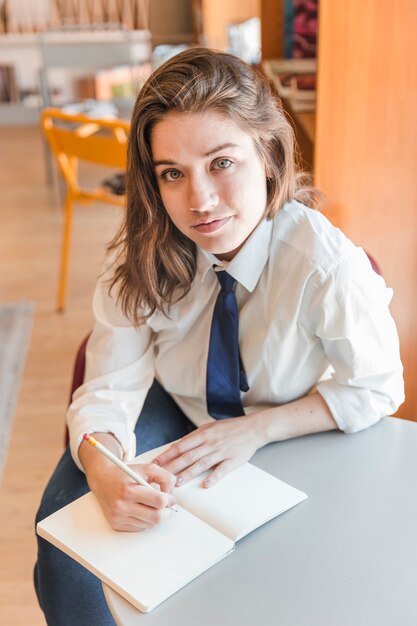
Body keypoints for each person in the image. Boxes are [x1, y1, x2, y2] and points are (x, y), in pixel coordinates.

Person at [34, 47, 404, 625]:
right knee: (70, 555)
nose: (200, 202)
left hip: (282, 415)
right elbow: (108, 389)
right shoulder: (141, 254)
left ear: (269, 155)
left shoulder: (326, 264)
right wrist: (105, 468)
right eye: (172, 174)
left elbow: (378, 389)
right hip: (176, 398)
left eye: (222, 162)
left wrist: (256, 430)